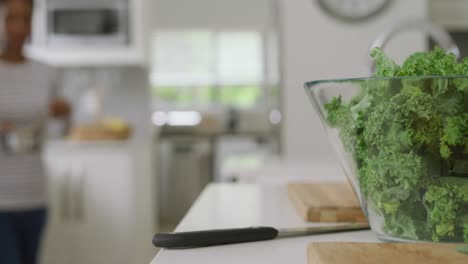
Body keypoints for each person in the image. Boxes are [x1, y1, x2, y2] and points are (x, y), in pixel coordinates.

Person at [0, 0, 70, 263]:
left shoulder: (47, 72)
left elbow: (59, 132)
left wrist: (64, 114)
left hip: (34, 195)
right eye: (11, 18)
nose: (19, 27)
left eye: (26, 18)